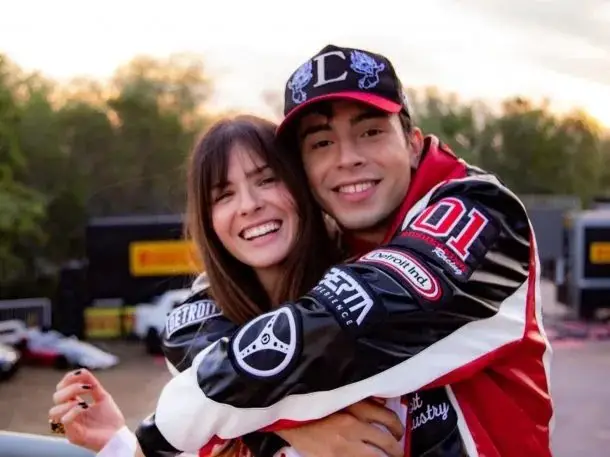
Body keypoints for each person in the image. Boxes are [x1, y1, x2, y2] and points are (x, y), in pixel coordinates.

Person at [126, 44, 554, 457]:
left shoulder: (484, 211)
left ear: (412, 142)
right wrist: (287, 426)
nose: (347, 158)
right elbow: (192, 325)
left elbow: (345, 328)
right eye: (322, 143)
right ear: (303, 170)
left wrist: (162, 430)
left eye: (370, 132)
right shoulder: (333, 241)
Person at [50, 115, 414, 457]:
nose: (249, 205)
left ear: (302, 185)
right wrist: (116, 442)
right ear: (208, 221)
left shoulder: (373, 305)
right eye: (223, 195)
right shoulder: (204, 347)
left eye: (267, 180)